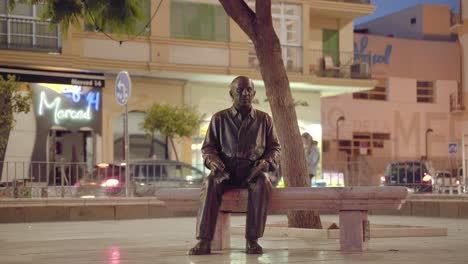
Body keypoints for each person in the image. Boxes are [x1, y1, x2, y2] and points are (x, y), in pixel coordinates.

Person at [189, 76, 281, 255]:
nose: (245, 93)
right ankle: (204, 240)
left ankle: (252, 240)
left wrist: (266, 162)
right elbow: (208, 148)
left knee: (262, 183)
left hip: (253, 172)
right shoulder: (219, 119)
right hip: (226, 172)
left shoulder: (264, 120)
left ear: (254, 93)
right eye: (240, 90)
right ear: (231, 93)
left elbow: (275, 149)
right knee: (210, 182)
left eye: (248, 90)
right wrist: (213, 161)